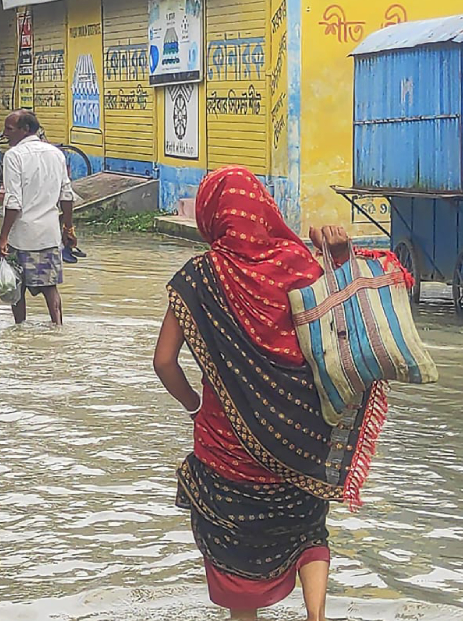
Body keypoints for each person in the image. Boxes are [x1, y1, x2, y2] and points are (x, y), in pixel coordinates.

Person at [152, 167, 390, 621]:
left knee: (237, 555)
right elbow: (345, 326)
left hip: (229, 451)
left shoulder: (198, 278)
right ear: (263, 206)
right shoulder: (300, 263)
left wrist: (195, 406)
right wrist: (335, 252)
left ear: (211, 216)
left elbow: (164, 362)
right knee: (309, 530)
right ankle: (316, 615)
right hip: (302, 435)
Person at [0, 109, 76, 325]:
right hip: (48, 235)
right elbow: (66, 195)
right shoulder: (56, 154)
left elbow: (13, 202)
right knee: (50, 287)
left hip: (21, 236)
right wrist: (68, 229)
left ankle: (20, 331)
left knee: (16, 287)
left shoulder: (13, 156)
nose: (5, 134)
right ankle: (58, 329)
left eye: (9, 129)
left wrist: (3, 238)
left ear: (25, 130)